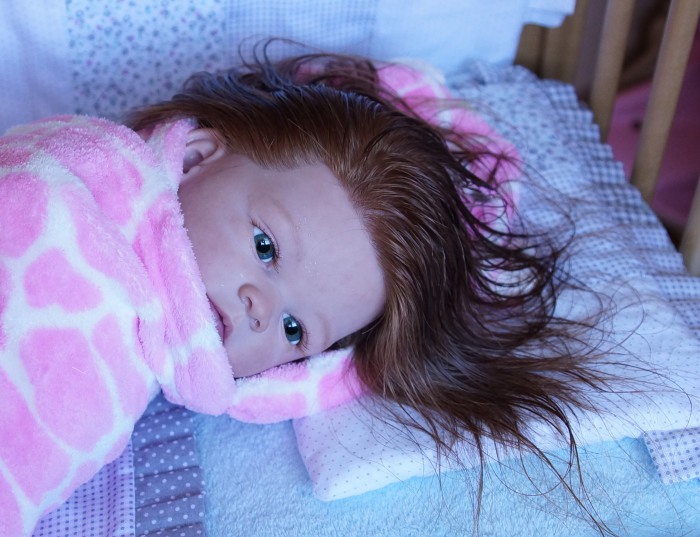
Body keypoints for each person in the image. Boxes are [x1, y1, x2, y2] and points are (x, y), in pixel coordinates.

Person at [0, 47, 605, 535]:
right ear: (197, 157)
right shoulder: (74, 196)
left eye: (295, 330)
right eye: (265, 247)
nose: (262, 309)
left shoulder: (129, 359)